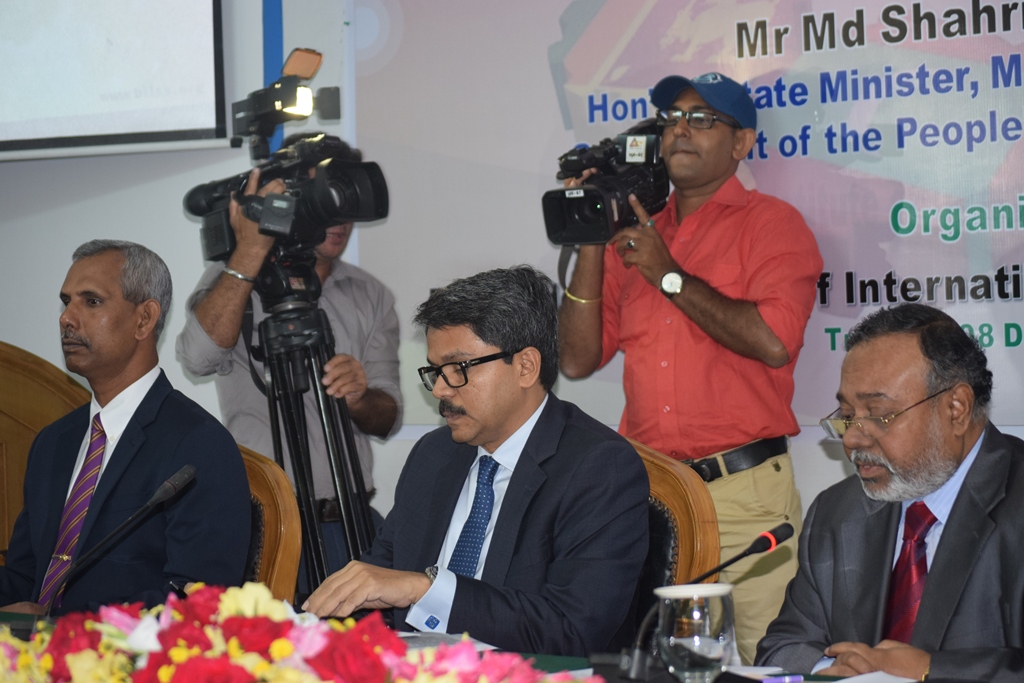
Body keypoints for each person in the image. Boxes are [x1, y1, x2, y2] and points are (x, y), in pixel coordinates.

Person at [557, 72, 822, 663]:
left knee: (772, 662)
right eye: (672, 119)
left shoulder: (773, 224)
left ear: (742, 142)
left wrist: (669, 276)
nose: (680, 130)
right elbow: (575, 359)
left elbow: (774, 341)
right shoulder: (634, 235)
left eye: (702, 119)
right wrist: (593, 236)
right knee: (658, 664)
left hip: (745, 495)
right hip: (653, 494)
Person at [303, 266, 649, 656]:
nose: (439, 389)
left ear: (525, 367)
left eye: (458, 369)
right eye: (436, 370)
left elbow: (572, 630)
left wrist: (426, 589)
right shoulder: (434, 454)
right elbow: (377, 585)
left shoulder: (599, 468)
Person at [757, 303, 1024, 681]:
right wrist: (836, 671)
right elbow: (781, 649)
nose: (852, 439)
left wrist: (930, 670)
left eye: (878, 415)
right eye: (847, 416)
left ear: (956, 408)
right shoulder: (836, 512)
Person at [176, 133, 402, 574]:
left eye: (345, 195)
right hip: (265, 527)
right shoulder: (232, 280)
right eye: (323, 195)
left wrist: (360, 398)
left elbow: (387, 417)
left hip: (348, 525)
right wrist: (249, 254)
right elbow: (197, 359)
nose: (338, 214)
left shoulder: (370, 294)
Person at [0, 240, 250, 615]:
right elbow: (24, 579)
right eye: (66, 302)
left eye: (91, 301)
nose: (66, 318)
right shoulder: (52, 443)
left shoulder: (198, 444)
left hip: (118, 651)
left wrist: (62, 625)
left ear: (144, 319)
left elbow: (198, 600)